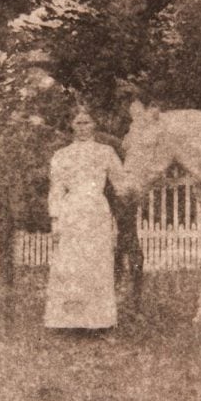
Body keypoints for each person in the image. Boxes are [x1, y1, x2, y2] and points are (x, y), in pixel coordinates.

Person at [44, 107, 124, 330]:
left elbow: (121, 183)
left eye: (87, 122)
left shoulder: (106, 152)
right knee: (71, 264)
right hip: (71, 211)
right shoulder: (61, 155)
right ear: (71, 125)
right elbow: (56, 189)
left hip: (96, 210)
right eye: (78, 123)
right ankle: (69, 321)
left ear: (94, 125)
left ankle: (98, 321)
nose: (82, 127)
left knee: (97, 262)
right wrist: (56, 220)